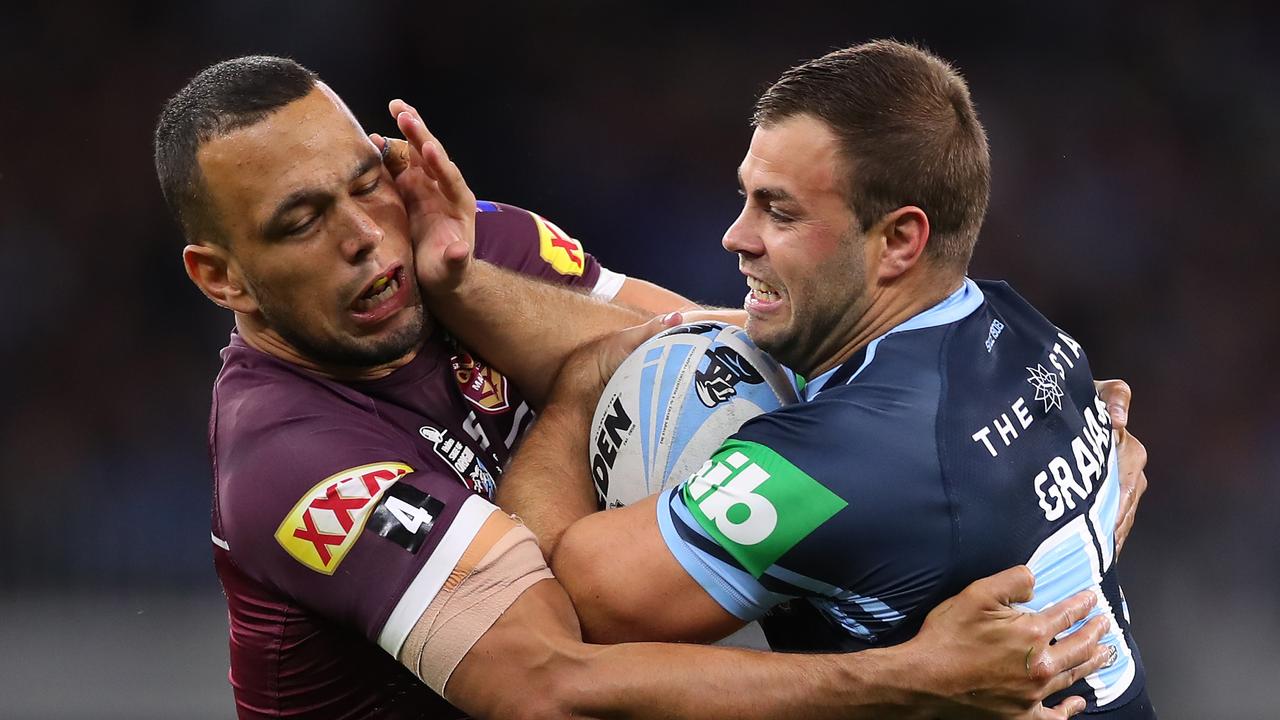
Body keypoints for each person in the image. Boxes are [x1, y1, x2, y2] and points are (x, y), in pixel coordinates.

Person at [155, 55, 1122, 719]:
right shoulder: (289, 462)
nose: (367, 233)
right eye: (300, 221)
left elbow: (710, 351)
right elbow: (553, 681)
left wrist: (1056, 490)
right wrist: (914, 677)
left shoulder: (464, 240)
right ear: (221, 276)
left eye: (367, 180)